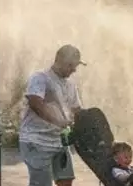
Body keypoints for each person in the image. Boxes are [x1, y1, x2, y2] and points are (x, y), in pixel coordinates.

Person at [19, 44, 85, 186]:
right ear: (59, 60)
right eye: (71, 65)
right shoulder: (40, 78)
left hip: (59, 141)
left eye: (75, 66)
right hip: (36, 140)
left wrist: (86, 124)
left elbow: (76, 109)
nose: (74, 69)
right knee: (42, 184)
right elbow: (36, 103)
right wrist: (59, 121)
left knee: (66, 180)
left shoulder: (71, 85)